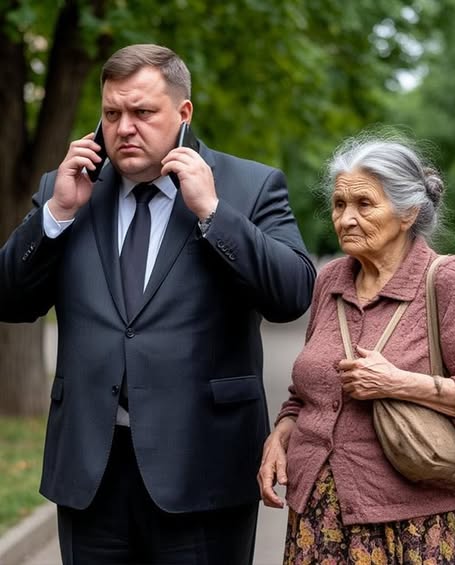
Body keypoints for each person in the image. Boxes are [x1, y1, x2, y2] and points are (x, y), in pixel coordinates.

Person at [0, 44, 316, 564]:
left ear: (183, 112)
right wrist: (55, 214)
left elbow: (292, 296)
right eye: (111, 114)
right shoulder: (68, 189)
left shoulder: (250, 186)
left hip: (204, 470)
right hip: (90, 473)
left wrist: (214, 212)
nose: (124, 128)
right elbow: (10, 298)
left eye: (142, 112)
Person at [258, 133, 455, 564]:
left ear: (408, 213)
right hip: (317, 518)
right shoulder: (330, 279)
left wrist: (400, 384)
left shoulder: (448, 281)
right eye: (339, 204)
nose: (346, 219)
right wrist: (282, 432)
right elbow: (305, 390)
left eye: (364, 204)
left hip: (414, 525)